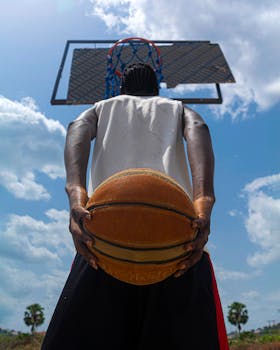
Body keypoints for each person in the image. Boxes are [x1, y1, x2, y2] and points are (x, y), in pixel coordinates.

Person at [42, 63, 229, 349]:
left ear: (121, 89)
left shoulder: (102, 107)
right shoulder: (177, 108)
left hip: (104, 248)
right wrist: (203, 202)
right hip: (176, 247)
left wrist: (76, 193)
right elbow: (199, 127)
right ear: (157, 89)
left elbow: (76, 127)